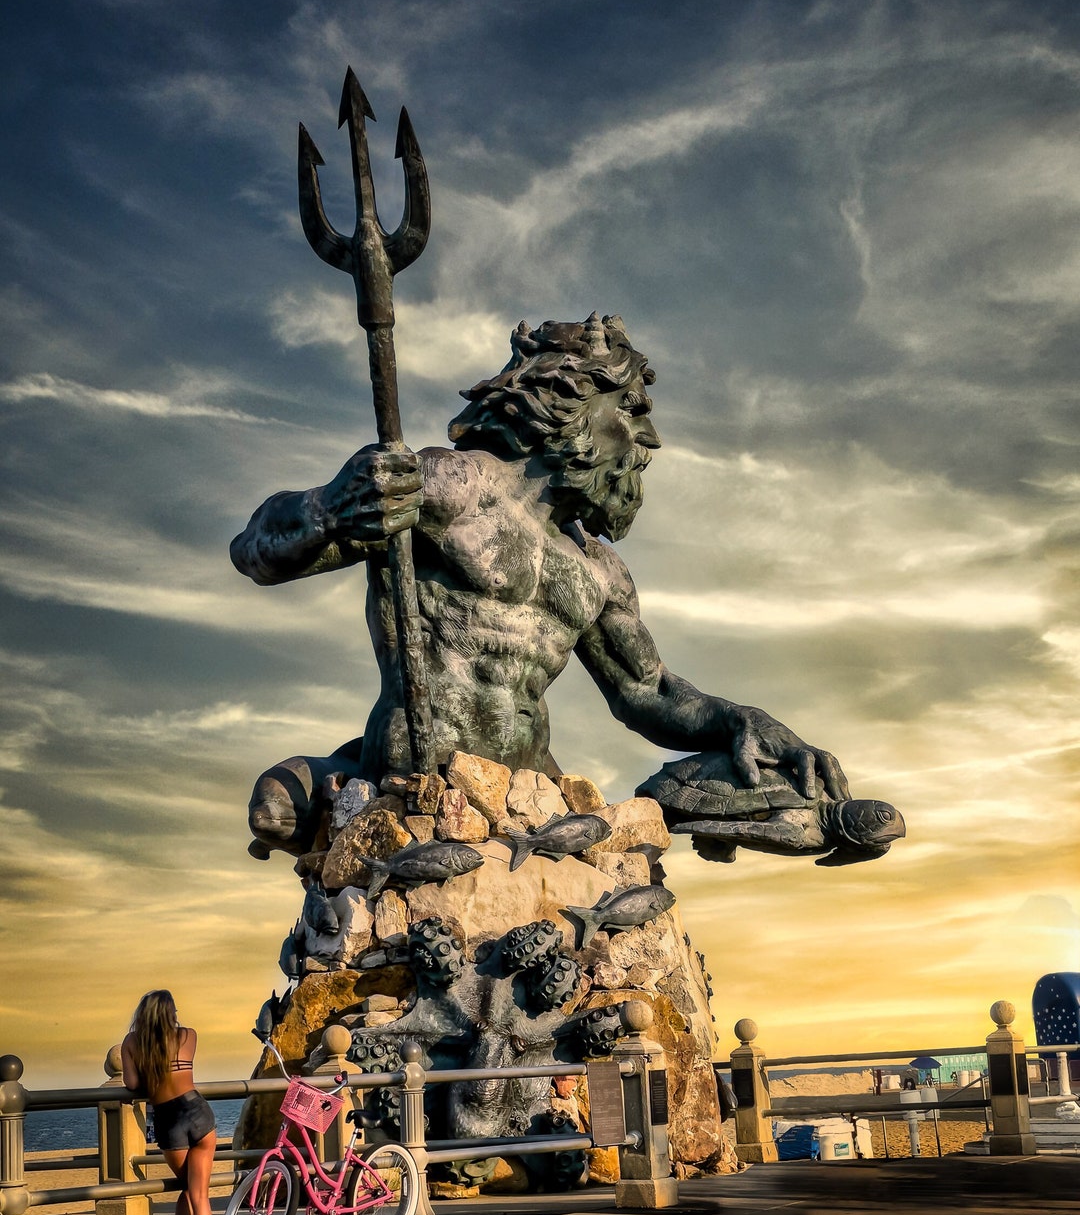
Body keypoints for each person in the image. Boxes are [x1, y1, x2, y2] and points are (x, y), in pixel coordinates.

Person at [231, 314, 847, 849]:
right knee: (276, 808)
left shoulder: (600, 572)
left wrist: (743, 720)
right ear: (572, 398)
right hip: (421, 777)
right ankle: (334, 782)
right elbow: (255, 551)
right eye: (633, 411)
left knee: (753, 787)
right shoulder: (456, 487)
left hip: (530, 788)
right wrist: (334, 506)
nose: (649, 440)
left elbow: (649, 693)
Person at [121, 991, 216, 1215]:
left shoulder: (133, 1043)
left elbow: (132, 1083)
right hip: (198, 1111)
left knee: (190, 1189)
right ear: (172, 1012)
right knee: (198, 1194)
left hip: (168, 1117)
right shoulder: (189, 1035)